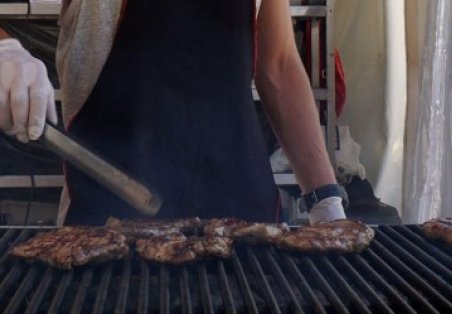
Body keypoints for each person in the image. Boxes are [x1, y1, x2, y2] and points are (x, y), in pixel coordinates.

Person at [0, 0, 345, 225]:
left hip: (243, 220)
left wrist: (324, 197)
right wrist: (4, 50)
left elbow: (278, 64)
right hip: (110, 223)